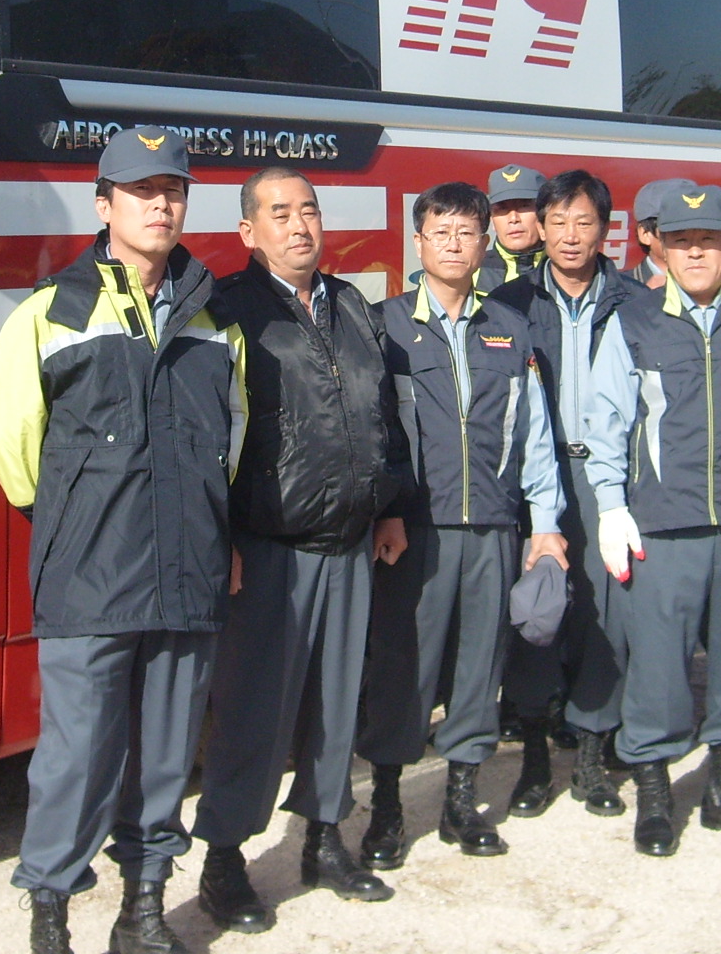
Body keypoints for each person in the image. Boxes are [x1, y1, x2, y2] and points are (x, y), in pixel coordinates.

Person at [0, 127, 246, 954]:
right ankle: (51, 911)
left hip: (186, 572)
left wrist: (203, 522)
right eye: (141, 191)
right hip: (89, 577)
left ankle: (143, 910)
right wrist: (73, 523)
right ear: (104, 206)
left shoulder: (214, 319)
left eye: (173, 191)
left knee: (165, 757)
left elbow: (234, 440)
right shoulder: (48, 313)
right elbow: (7, 442)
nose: (160, 205)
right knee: (77, 755)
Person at [193, 167, 407, 931]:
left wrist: (390, 506)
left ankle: (324, 840)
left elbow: (383, 414)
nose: (298, 225)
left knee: (335, 708)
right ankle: (224, 861)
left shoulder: (352, 306)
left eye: (308, 210)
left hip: (349, 543)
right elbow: (207, 437)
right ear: (248, 232)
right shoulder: (228, 311)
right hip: (269, 553)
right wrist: (220, 537)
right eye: (279, 213)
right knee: (253, 713)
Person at [581, 182, 721, 857]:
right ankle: (655, 798)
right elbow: (606, 419)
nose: (695, 253)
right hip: (663, 524)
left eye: (707, 240)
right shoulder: (634, 322)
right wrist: (611, 506)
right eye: (681, 241)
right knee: (657, 668)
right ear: (662, 248)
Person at [358, 181, 567, 865]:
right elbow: (371, 432)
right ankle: (387, 809)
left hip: (493, 527)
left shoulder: (509, 327)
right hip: (412, 532)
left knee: (481, 668)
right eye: (440, 232)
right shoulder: (383, 326)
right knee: (403, 671)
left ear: (485, 244)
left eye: (466, 232)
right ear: (418, 242)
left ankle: (460, 803)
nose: (454, 244)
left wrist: (544, 522)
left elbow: (534, 431)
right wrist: (386, 511)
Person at [491, 170, 644, 818]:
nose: (570, 235)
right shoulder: (509, 303)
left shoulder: (636, 303)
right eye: (558, 222)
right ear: (541, 228)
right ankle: (532, 759)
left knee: (603, 621)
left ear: (606, 229)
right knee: (536, 616)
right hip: (534, 479)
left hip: (607, 480)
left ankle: (590, 759)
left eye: (584, 222)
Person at [478, 163, 547, 289]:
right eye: (502, 209)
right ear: (492, 219)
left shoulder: (567, 270)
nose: (513, 219)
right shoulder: (472, 272)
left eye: (524, 206)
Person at [631, 178, 695, 289]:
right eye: (678, 233)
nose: (695, 248)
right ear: (645, 234)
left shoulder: (720, 288)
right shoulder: (619, 290)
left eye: (705, 236)